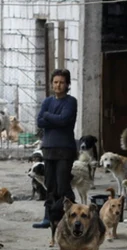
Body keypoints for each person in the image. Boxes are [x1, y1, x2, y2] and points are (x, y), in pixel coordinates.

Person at [32, 68, 78, 228]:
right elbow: (39, 122)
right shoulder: (47, 101)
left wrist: (48, 116)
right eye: (56, 82)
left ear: (67, 85)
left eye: (62, 83)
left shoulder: (71, 102)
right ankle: (49, 218)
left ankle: (73, 217)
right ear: (52, 84)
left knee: (63, 184)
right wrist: (52, 119)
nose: (58, 85)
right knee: (50, 184)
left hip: (65, 149)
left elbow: (64, 120)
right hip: (49, 148)